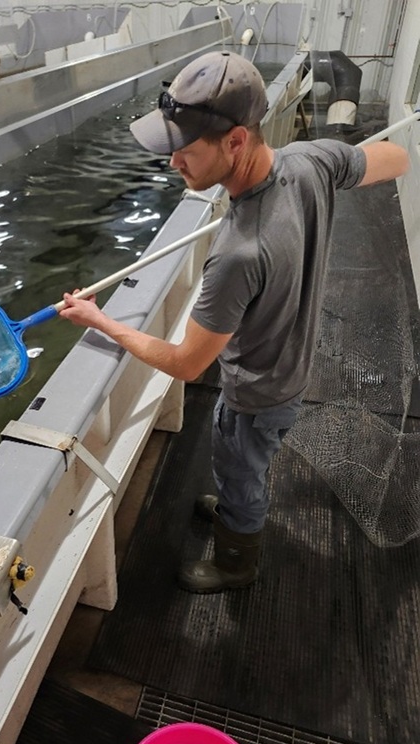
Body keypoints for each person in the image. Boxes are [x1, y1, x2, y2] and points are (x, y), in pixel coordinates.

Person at [59, 50, 410, 593]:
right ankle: (234, 505)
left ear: (236, 142)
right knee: (248, 463)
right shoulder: (308, 160)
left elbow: (186, 363)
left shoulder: (239, 254)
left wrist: (102, 321)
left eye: (183, 151)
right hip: (293, 364)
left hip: (257, 390)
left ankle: (235, 562)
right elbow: (396, 158)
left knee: (241, 470)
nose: (173, 163)